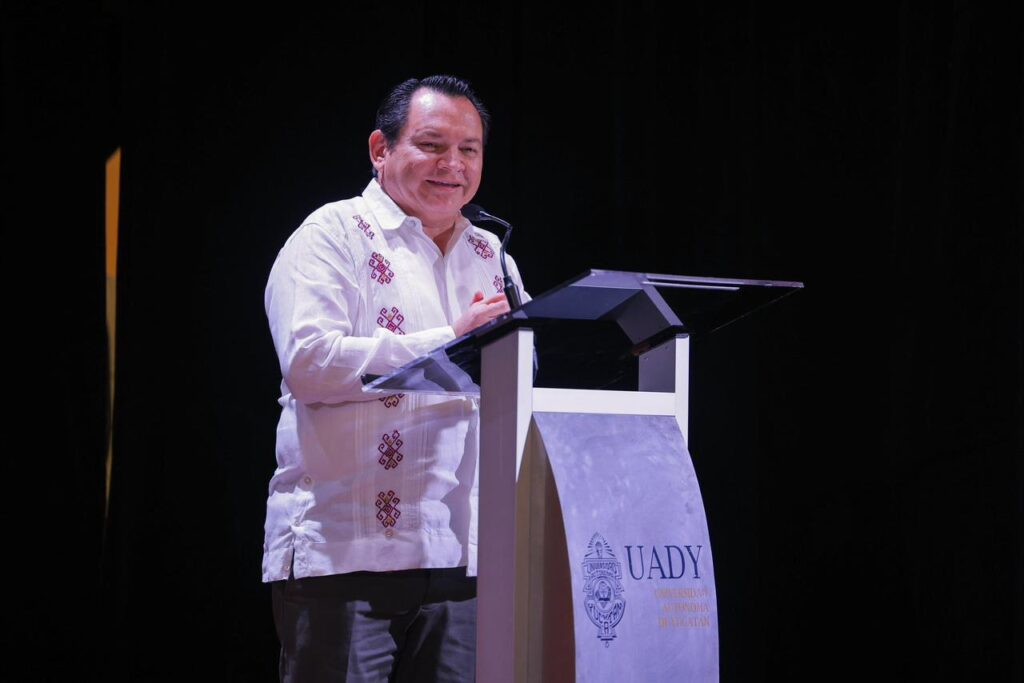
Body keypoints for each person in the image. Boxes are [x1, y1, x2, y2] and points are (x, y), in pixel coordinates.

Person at [262, 75, 527, 682]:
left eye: (469, 149)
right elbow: (309, 363)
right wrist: (452, 340)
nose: (453, 165)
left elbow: (527, 376)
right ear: (380, 149)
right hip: (345, 555)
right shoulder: (330, 235)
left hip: (462, 555)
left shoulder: (493, 255)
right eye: (432, 145)